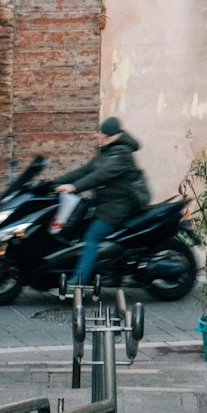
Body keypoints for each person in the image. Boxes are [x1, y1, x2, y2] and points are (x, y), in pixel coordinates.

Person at [56, 117, 148, 288]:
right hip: (106, 203)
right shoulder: (107, 152)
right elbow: (84, 171)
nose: (96, 136)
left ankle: (79, 281)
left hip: (120, 206)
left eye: (99, 134)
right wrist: (55, 183)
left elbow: (100, 176)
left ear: (108, 136)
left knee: (92, 235)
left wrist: (74, 187)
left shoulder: (122, 154)